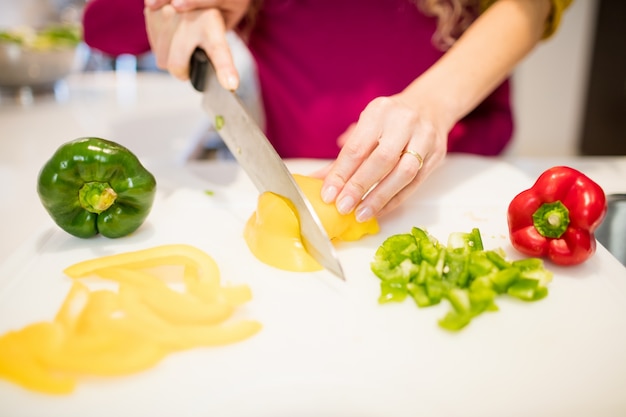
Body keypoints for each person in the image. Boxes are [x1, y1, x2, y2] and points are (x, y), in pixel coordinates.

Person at [82, 0, 572, 223]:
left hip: (464, 182)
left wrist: (434, 103)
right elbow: (101, 24)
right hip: (299, 180)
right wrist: (178, 6)